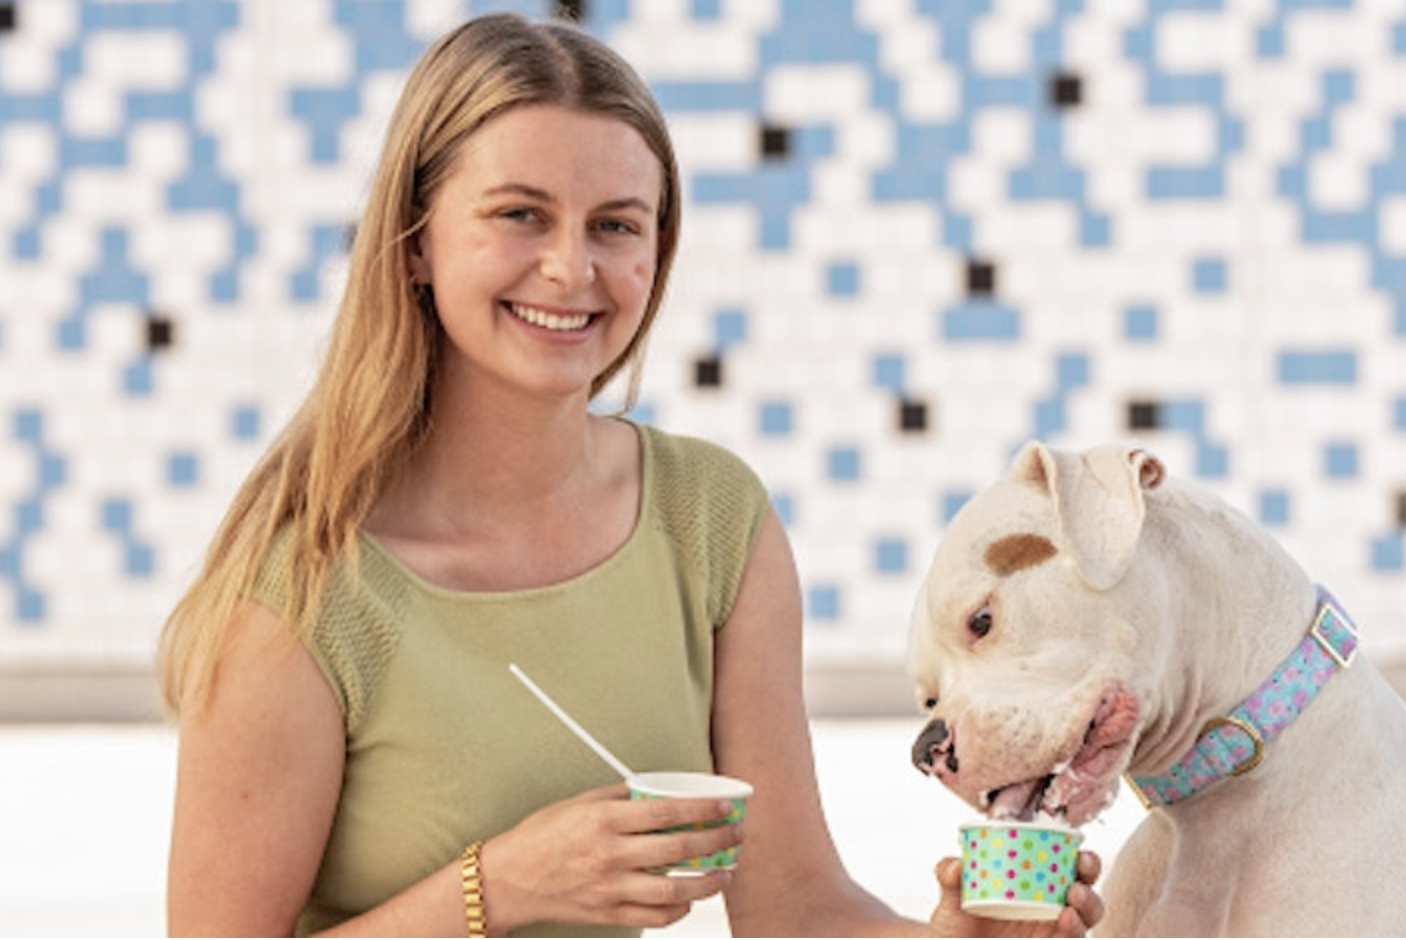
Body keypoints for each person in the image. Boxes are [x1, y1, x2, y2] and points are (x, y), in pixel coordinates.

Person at [156, 11, 1103, 938]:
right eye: (520, 215)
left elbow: (793, 909)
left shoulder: (710, 523)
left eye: (615, 226)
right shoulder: (304, 594)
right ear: (415, 242)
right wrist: (499, 889)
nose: (571, 269)